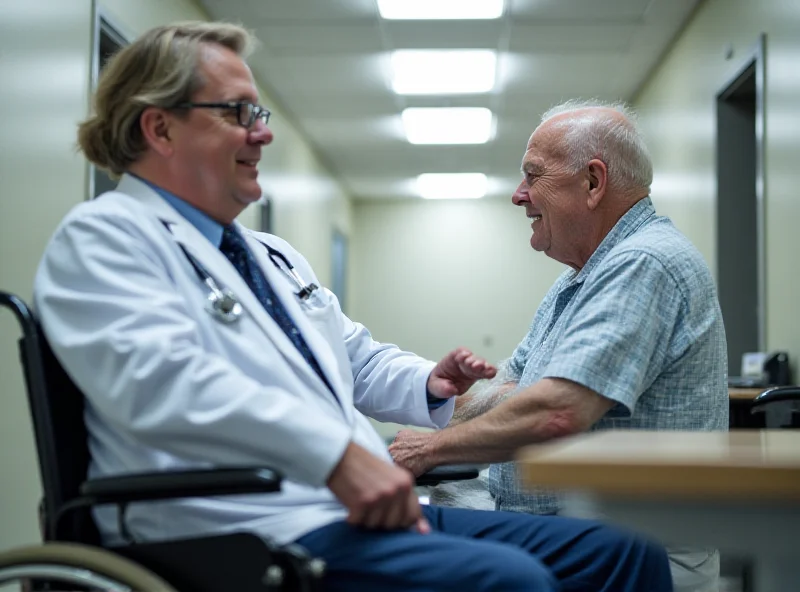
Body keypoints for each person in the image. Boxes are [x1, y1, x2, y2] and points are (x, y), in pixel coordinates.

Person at [33, 22, 673, 591]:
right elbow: (169, 386)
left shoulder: (267, 255)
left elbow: (354, 358)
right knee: (509, 581)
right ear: (159, 127)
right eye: (238, 112)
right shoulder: (104, 239)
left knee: (620, 555)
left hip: (336, 512)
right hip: (235, 528)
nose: (264, 132)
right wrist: (338, 458)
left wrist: (429, 381)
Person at [389, 100, 729, 591]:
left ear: (593, 182)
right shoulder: (581, 278)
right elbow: (513, 386)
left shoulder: (645, 263)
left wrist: (430, 449)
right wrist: (429, 413)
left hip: (630, 556)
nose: (518, 195)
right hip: (572, 533)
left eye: (533, 176)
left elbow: (557, 412)